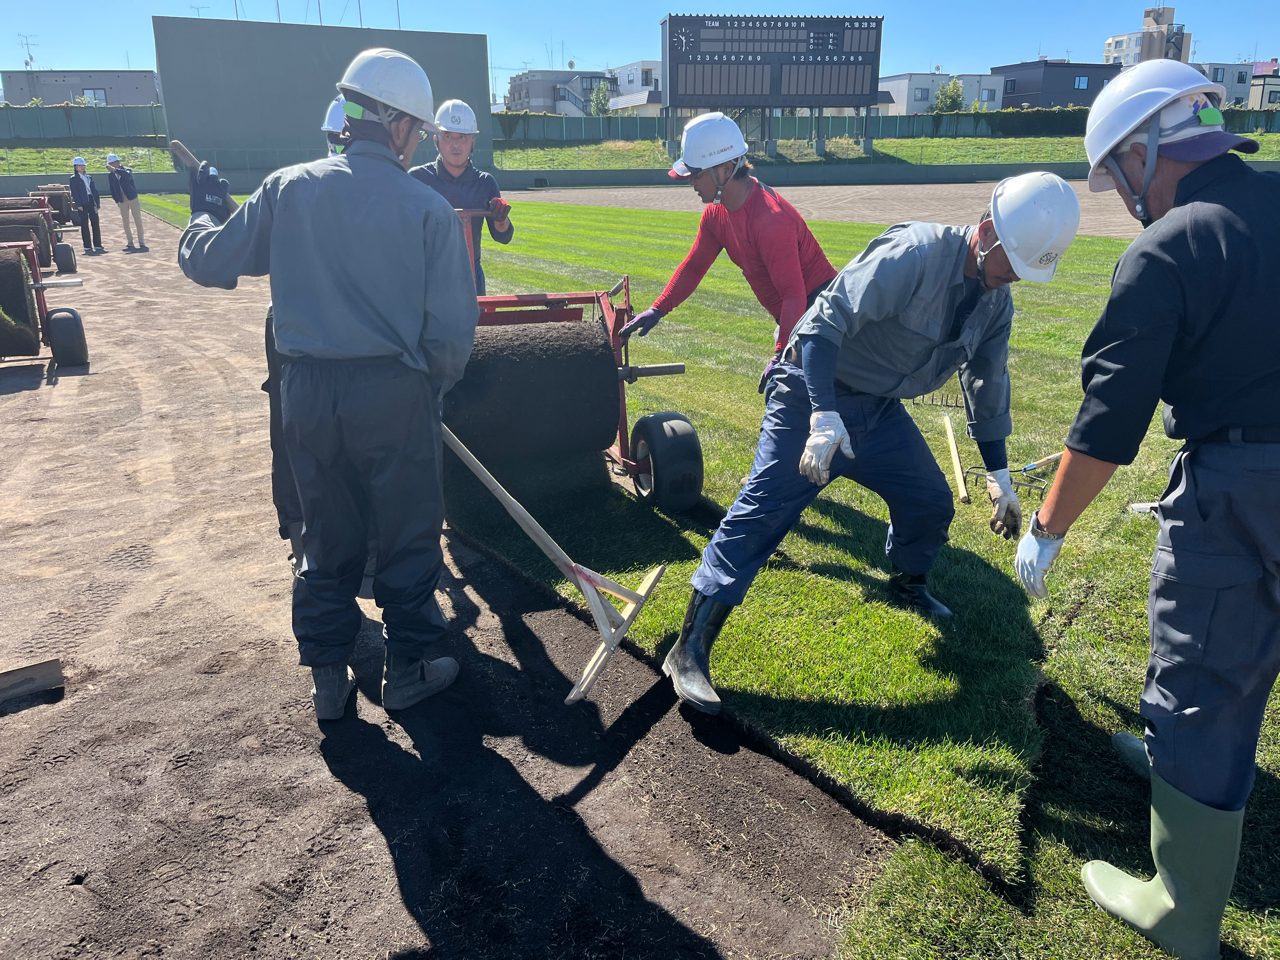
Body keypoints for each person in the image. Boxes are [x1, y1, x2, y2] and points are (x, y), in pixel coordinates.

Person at [1013, 58, 1279, 960]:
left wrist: (1044, 532)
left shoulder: (1166, 250)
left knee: (1207, 676)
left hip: (1242, 486)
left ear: (1143, 150)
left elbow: (1106, 428)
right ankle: (1173, 767)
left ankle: (1183, 910)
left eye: (1114, 175)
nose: (1121, 197)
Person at [662, 172, 1081, 716]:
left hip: (879, 411)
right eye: (1011, 266)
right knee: (762, 512)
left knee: (929, 499)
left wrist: (999, 476)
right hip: (810, 394)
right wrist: (822, 416)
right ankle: (689, 647)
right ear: (985, 232)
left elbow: (987, 387)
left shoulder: (995, 304)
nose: (1011, 280)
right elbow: (819, 325)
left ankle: (907, 582)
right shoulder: (913, 253)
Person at [176, 48, 479, 722]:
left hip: (306, 394)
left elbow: (211, 260)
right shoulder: (427, 210)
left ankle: (327, 682)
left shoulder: (288, 189)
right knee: (406, 536)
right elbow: (454, 333)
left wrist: (201, 214)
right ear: (400, 125)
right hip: (392, 394)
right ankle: (407, 671)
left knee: (324, 534)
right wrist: (427, 388)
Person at [621, 112, 837, 388]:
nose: (691, 183)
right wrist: (658, 308)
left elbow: (793, 296)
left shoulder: (771, 220)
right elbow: (694, 266)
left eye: (696, 174)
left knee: (789, 409)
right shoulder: (715, 214)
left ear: (725, 168)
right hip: (795, 317)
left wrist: (780, 354)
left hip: (820, 316)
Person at [410, 98, 512, 294]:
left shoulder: (485, 183)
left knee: (477, 326)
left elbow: (503, 236)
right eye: (448, 136)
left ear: (473, 141)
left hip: (471, 279)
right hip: (427, 280)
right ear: (436, 140)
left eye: (462, 137)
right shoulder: (417, 179)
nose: (455, 145)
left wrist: (501, 218)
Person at [105, 153, 147, 252]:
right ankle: (130, 241)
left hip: (132, 198)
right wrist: (117, 201)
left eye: (115, 162)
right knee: (125, 222)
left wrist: (115, 170)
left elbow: (127, 176)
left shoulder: (126, 170)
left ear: (118, 162)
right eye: (111, 163)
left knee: (137, 219)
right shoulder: (110, 176)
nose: (113, 164)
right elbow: (112, 189)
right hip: (122, 200)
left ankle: (141, 241)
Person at [68, 157, 104, 254]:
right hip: (82, 202)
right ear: (75, 167)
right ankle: (87, 246)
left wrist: (97, 203)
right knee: (84, 224)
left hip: (91, 201)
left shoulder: (89, 177)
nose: (82, 167)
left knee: (95, 223)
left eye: (83, 165)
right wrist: (78, 204)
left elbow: (94, 191)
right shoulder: (73, 179)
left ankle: (98, 244)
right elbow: (75, 193)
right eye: (80, 165)